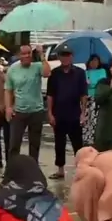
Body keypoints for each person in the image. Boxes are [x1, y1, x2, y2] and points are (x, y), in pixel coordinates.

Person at [46, 42, 87, 180]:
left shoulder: (79, 73)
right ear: (59, 57)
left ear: (72, 56)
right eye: (63, 55)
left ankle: (81, 170)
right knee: (59, 143)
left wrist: (83, 113)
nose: (65, 58)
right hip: (59, 114)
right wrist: (50, 113)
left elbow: (83, 95)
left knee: (78, 144)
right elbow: (50, 95)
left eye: (67, 55)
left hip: (74, 114)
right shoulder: (54, 74)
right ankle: (60, 170)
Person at [5, 43, 51, 162]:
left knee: (34, 145)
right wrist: (8, 107)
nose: (26, 56)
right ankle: (12, 168)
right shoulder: (13, 69)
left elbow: (47, 73)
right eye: (23, 53)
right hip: (19, 112)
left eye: (29, 53)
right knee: (14, 144)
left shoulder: (37, 66)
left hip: (36, 111)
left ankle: (33, 167)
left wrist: (41, 54)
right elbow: (8, 90)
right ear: (19, 55)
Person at [83, 54, 107, 146]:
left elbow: (101, 82)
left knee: (95, 119)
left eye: (96, 61)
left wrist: (91, 84)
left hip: (96, 98)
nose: (94, 63)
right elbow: (83, 84)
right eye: (92, 61)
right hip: (86, 98)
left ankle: (95, 138)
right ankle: (86, 138)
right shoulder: (86, 72)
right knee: (87, 119)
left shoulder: (102, 71)